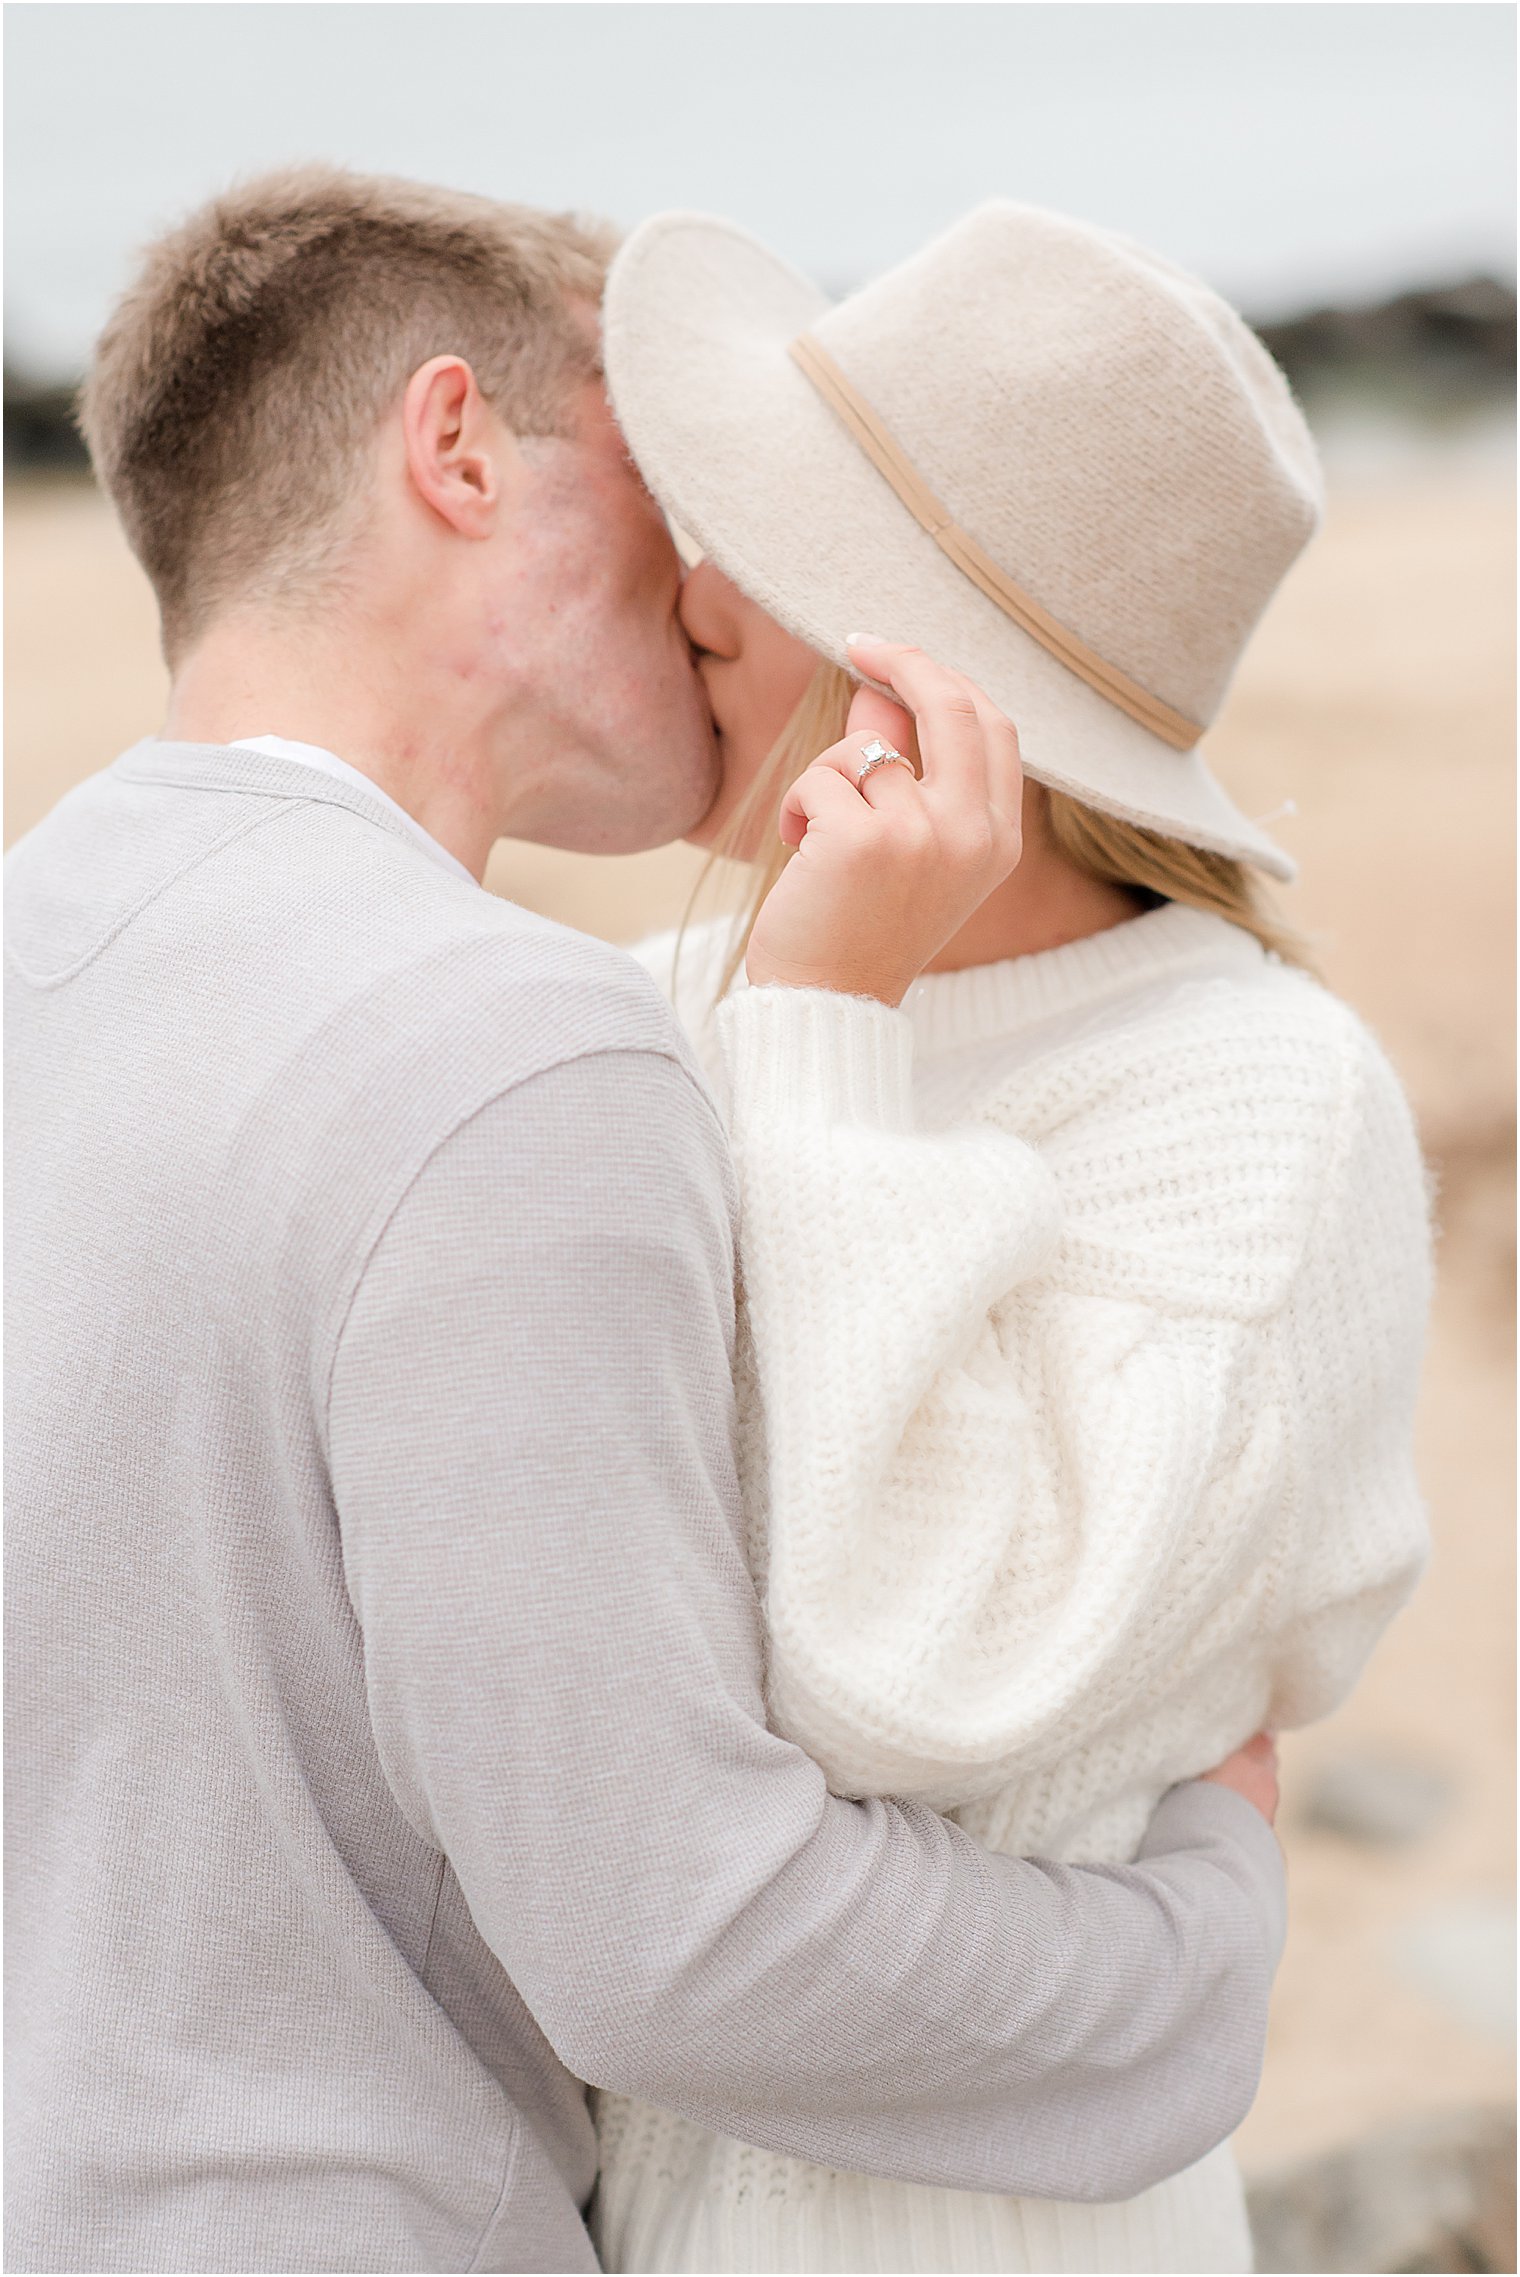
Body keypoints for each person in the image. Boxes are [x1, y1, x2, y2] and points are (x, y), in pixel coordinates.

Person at [7, 168, 1284, 2277]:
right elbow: (676, 1930)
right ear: (454, 452)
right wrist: (1199, 1937)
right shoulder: (513, 1041)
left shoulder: (36, 942)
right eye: (656, 473)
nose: (715, 572)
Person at [586, 204, 1433, 2273]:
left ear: (951, 696)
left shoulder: (1262, 1105)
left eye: (775, 555)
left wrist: (825, 1027)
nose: (689, 592)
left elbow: (905, 1677)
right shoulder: (660, 1003)